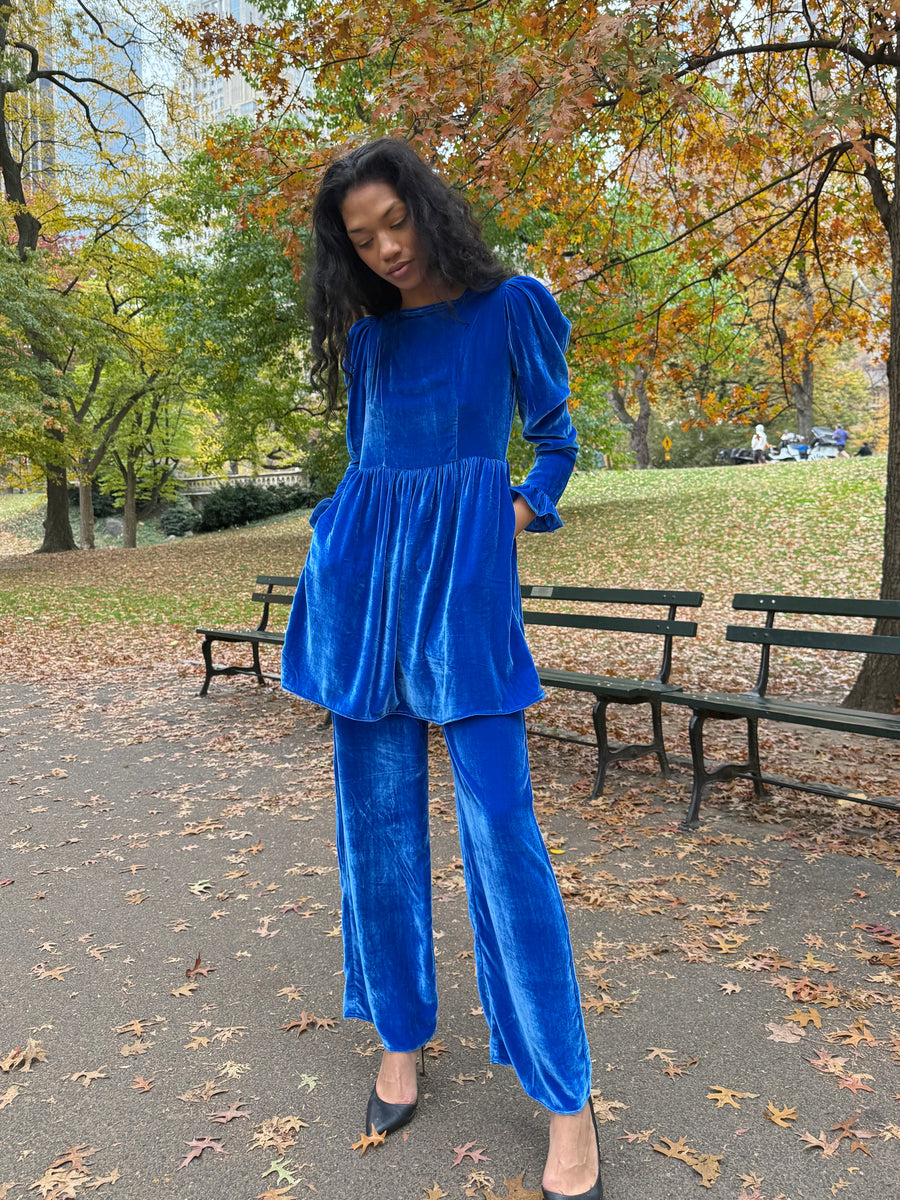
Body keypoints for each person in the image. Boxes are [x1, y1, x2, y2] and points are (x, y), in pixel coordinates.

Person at [280, 138, 602, 1200]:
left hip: (463, 608)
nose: (385, 249)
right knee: (374, 833)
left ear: (427, 207)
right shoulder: (370, 343)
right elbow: (365, 466)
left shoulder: (512, 307)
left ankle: (566, 1099)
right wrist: (335, 540)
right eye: (361, 239)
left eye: (394, 222)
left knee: (504, 834)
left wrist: (511, 518)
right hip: (362, 599)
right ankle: (399, 1037)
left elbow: (555, 443)